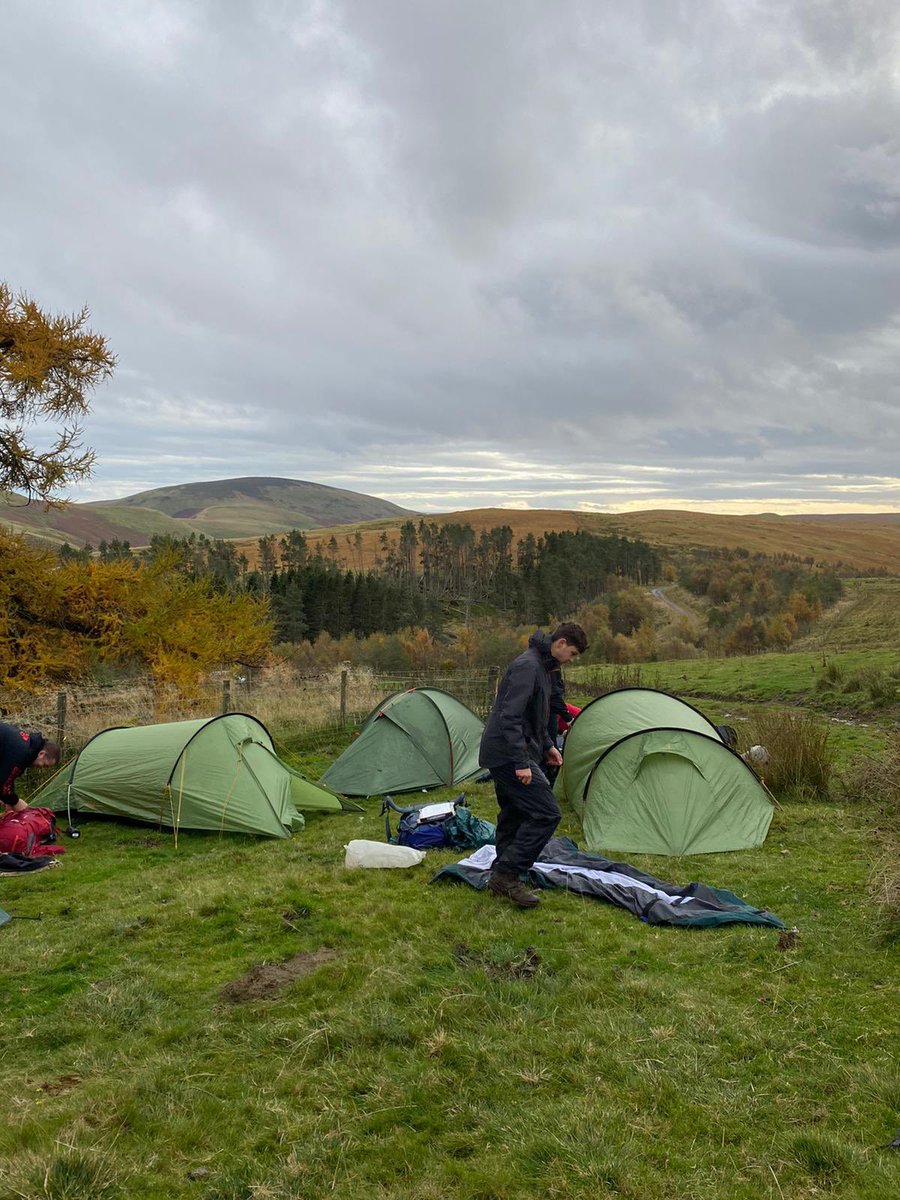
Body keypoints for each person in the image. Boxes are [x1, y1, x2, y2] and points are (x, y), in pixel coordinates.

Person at [479, 622, 587, 907]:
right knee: (546, 813)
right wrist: (520, 762)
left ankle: (502, 876)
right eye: (572, 653)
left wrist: (549, 746)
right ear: (561, 643)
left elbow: (534, 717)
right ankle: (506, 874)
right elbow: (510, 716)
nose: (571, 659)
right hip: (507, 754)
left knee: (514, 813)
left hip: (516, 751)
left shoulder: (544, 666)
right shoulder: (528, 666)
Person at [0, 723, 61, 812]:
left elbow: (8, 777)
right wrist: (15, 802)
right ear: (41, 754)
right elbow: (2, 784)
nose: (41, 768)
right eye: (44, 765)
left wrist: (8, 800)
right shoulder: (21, 752)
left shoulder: (26, 747)